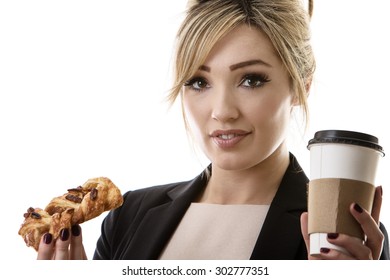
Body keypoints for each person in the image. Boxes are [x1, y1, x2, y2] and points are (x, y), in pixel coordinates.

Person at [37, 0, 389, 260]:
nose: (221, 111)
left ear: (301, 86)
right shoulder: (130, 215)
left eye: (251, 80)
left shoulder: (342, 239)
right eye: (198, 81)